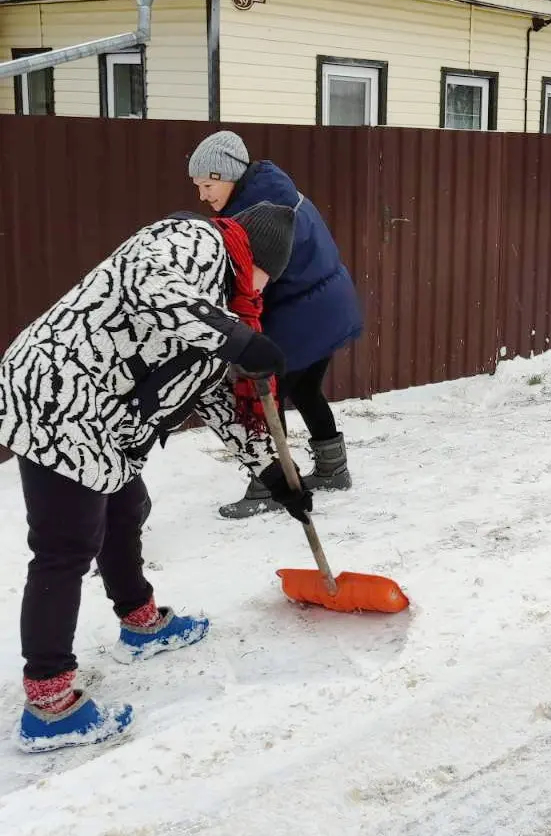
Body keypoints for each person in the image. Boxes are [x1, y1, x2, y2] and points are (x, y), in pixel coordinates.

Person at [0, 203, 315, 752]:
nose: (266, 291)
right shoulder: (192, 240)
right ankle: (49, 704)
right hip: (56, 392)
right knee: (65, 546)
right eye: (270, 277)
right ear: (258, 262)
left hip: (107, 416)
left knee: (126, 508)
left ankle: (140, 620)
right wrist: (236, 338)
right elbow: (150, 286)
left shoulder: (223, 308)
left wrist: (271, 471)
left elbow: (213, 398)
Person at [187, 131, 364, 519]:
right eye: (198, 186)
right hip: (328, 306)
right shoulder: (276, 191)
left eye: (208, 185)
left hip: (304, 314)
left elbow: (248, 287)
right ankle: (333, 469)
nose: (202, 195)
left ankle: (272, 485)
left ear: (228, 175)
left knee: (264, 396)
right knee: (305, 388)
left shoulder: (257, 217)